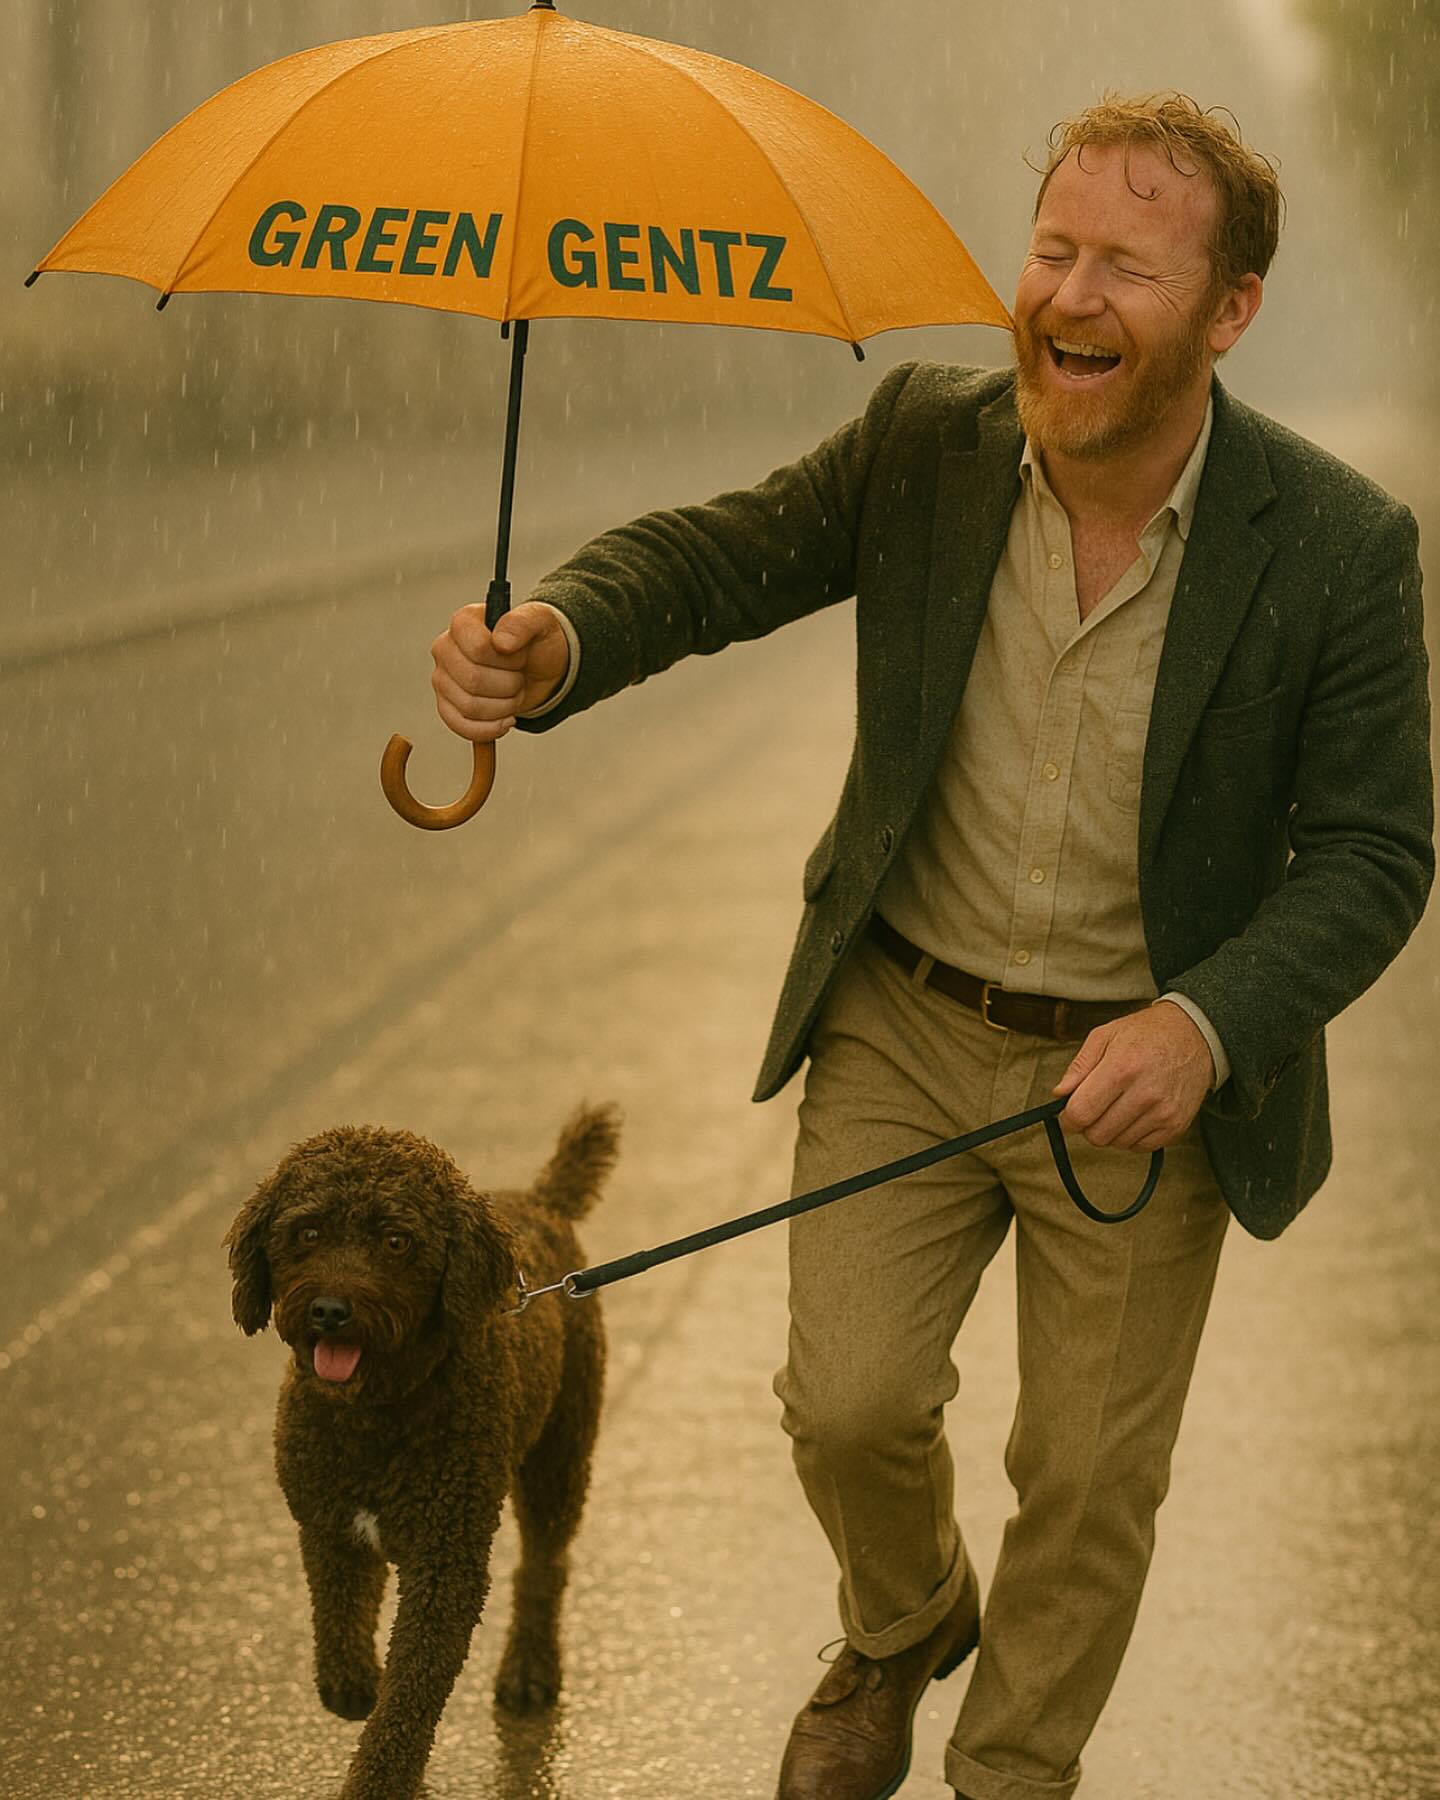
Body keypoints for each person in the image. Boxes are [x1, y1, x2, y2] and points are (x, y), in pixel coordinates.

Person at [427, 93, 1432, 1800]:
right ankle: (903, 1624)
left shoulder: (1337, 546)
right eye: (1053, 249)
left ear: (1230, 309)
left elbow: (1375, 853)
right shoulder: (924, 443)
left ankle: (1011, 1772)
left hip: (1140, 1078)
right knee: (849, 1406)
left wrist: (1205, 1024)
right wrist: (564, 634)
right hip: (903, 1023)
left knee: (1088, 1484)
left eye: (1129, 266)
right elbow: (722, 556)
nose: (1071, 295)